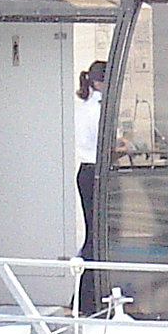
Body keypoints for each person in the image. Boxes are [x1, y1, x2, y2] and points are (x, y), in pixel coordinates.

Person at [74, 59, 108, 310]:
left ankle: (88, 298)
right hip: (95, 171)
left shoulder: (87, 107)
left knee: (94, 234)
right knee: (96, 236)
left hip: (87, 171)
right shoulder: (96, 109)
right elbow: (105, 144)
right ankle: (85, 298)